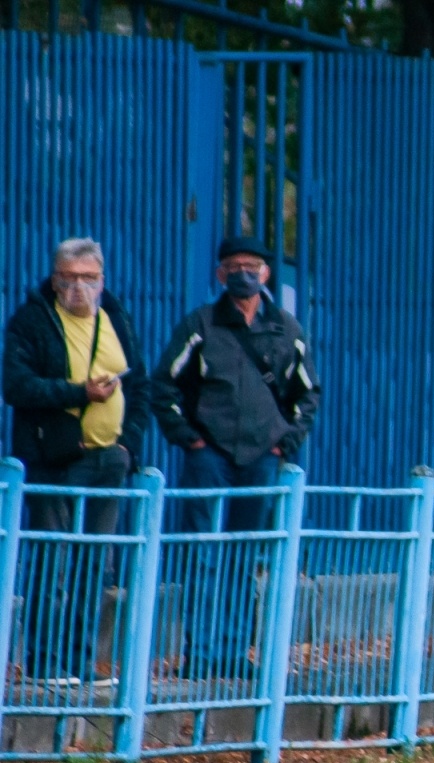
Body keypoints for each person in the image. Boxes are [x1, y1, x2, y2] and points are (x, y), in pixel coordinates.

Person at [152, 235, 321, 677]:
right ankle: (200, 655)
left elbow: (307, 394)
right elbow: (163, 385)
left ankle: (232, 652)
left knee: (246, 554)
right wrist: (188, 438)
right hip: (208, 453)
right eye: (234, 266)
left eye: (253, 265)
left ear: (266, 274)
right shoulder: (200, 325)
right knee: (202, 551)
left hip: (263, 456)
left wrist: (286, 442)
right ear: (220, 274)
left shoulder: (287, 329)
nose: (244, 273)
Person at [2, 237, 149, 683]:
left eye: (88, 278)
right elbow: (17, 386)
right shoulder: (33, 321)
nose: (78, 288)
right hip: (56, 456)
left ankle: (82, 660)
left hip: (110, 459)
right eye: (69, 278)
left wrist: (130, 445)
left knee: (96, 561)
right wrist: (78, 392)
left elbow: (140, 384)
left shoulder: (115, 318)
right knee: (52, 559)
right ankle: (45, 662)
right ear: (55, 278)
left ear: (102, 280)